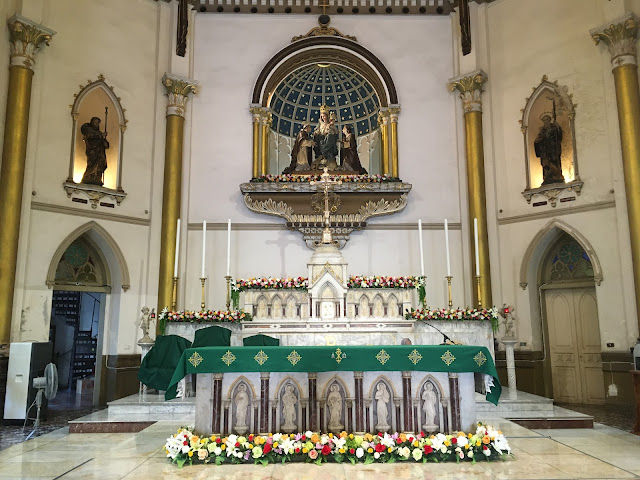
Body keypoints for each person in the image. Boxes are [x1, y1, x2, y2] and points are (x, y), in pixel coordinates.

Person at [534, 114, 564, 185]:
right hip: (544, 151)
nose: (545, 122)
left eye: (546, 120)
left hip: (552, 149)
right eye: (544, 120)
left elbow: (559, 136)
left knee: (554, 162)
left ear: (549, 120)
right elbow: (539, 139)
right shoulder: (542, 130)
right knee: (546, 164)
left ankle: (556, 176)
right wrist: (537, 141)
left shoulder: (554, 127)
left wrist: (558, 127)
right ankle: (547, 177)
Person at [80, 116, 109, 186]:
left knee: (100, 165)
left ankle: (97, 178)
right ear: (92, 123)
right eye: (95, 122)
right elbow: (90, 136)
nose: (96, 124)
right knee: (92, 165)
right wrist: (101, 135)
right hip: (92, 152)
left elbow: (105, 143)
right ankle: (89, 177)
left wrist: (105, 143)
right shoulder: (88, 130)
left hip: (100, 153)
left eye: (98, 123)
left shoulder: (99, 133)